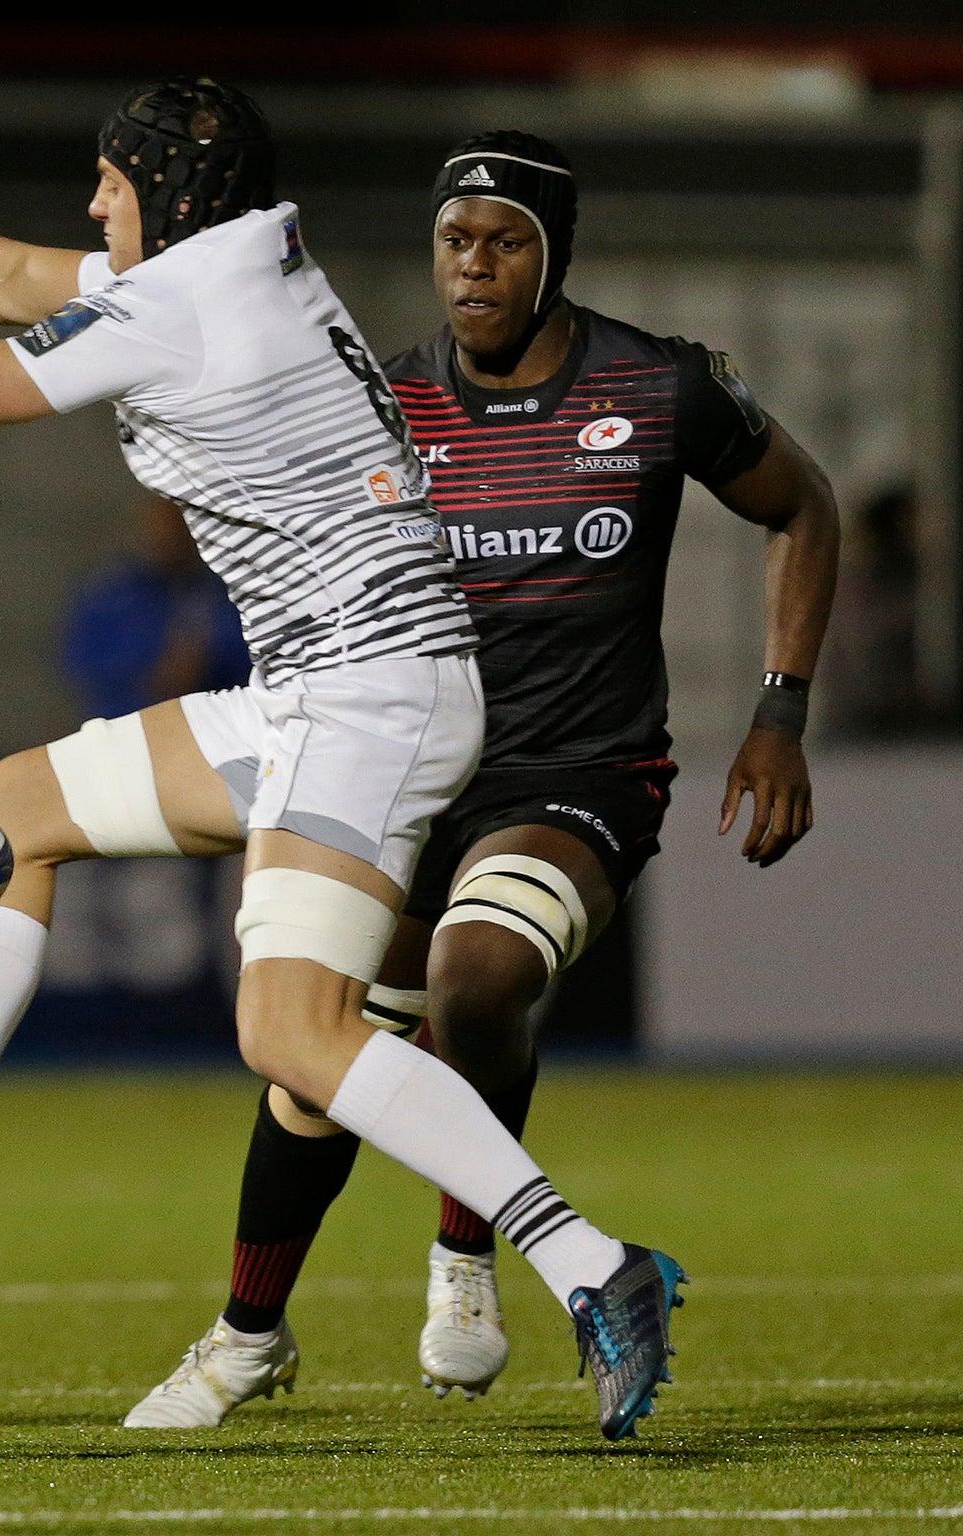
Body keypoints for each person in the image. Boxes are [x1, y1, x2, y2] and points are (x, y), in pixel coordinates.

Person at [0, 82, 684, 1440]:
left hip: (369, 704)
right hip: (325, 693)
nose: (93, 206)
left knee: (291, 1035)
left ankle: (593, 1265)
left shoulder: (184, 304)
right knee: (9, 812)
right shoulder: (233, 258)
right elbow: (10, 273)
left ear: (170, 189)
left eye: (110, 180)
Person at [121, 130, 838, 1428]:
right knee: (318, 1055)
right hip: (407, 777)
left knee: (476, 976)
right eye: (455, 240)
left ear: (553, 254)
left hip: (579, 776)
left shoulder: (662, 387)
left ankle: (466, 1254)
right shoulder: (381, 404)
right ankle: (247, 1333)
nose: (474, 267)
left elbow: (806, 506)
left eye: (504, 242)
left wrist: (781, 710)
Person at [62, 492, 248, 720]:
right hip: (126, 723)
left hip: (214, 725)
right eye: (162, 528)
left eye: (179, 532)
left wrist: (209, 661)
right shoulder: (113, 593)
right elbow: (83, 661)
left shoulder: (226, 591)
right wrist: (155, 666)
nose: (168, 539)